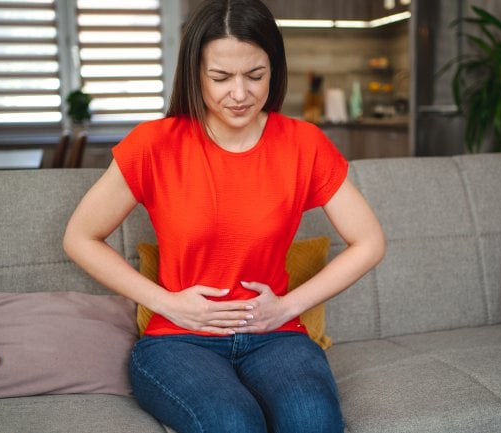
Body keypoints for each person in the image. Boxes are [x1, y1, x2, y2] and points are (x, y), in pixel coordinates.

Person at [63, 0, 385, 431]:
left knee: (313, 421)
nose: (239, 93)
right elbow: (80, 237)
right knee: (235, 423)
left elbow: (370, 241)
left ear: (275, 69)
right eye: (220, 77)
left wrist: (289, 305)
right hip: (178, 342)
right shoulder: (154, 144)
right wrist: (168, 303)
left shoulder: (304, 144)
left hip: (275, 337)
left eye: (255, 76)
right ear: (196, 74)